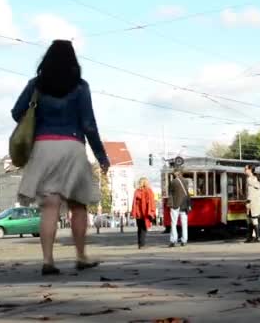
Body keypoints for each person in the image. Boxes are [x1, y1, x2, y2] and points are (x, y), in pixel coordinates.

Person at [11, 40, 108, 276]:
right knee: (78, 205)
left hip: (43, 148)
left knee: (50, 207)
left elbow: (16, 113)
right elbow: (89, 125)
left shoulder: (36, 85)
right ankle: (81, 256)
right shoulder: (81, 87)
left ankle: (48, 261)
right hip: (72, 146)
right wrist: (101, 156)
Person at [132, 177, 156, 249]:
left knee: (139, 228)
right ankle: (142, 244)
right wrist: (152, 212)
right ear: (146, 183)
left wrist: (133, 212)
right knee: (144, 228)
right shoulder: (149, 191)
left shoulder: (137, 191)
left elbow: (134, 203)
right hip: (145, 213)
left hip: (138, 213)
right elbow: (151, 202)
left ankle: (139, 243)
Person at [168, 169, 191, 247]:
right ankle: (184, 240)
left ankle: (173, 240)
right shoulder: (186, 181)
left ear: (176, 173)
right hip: (184, 205)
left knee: (173, 223)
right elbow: (187, 193)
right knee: (184, 223)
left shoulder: (173, 182)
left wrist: (170, 204)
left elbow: (170, 194)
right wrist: (189, 204)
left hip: (175, 205)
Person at [245, 165, 260, 243]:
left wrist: (248, 201)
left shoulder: (251, 179)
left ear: (250, 170)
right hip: (255, 202)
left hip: (253, 202)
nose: (244, 170)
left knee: (253, 219)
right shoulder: (254, 179)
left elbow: (251, 192)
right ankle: (252, 237)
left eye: (246, 169)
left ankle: (255, 237)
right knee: (250, 220)